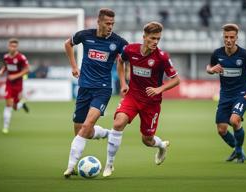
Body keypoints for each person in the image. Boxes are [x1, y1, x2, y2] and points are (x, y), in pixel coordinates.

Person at [103, 21, 180, 177]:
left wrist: (159, 89)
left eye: (158, 39)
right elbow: (120, 61)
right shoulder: (130, 49)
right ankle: (109, 164)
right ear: (144, 37)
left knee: (147, 140)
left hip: (151, 103)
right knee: (118, 123)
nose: (155, 42)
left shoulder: (162, 57)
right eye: (152, 38)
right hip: (133, 96)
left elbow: (176, 79)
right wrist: (124, 83)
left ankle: (161, 146)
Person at [63, 8, 128, 178]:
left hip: (103, 89)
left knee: (86, 126)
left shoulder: (118, 42)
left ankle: (70, 167)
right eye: (107, 23)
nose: (110, 26)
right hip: (84, 88)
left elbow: (125, 60)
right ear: (98, 22)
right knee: (81, 130)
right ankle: (106, 133)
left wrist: (123, 82)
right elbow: (67, 44)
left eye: (112, 24)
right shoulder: (85, 35)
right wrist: (74, 66)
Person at [206, 23, 246, 163]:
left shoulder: (245, 55)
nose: (229, 40)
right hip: (225, 95)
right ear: (223, 37)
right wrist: (211, 70)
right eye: (226, 37)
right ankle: (238, 151)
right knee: (221, 130)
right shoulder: (217, 53)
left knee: (234, 120)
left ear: (236, 38)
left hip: (241, 94)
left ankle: (238, 152)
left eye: (232, 37)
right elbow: (209, 67)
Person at [0, 38, 30, 134]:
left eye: (15, 46)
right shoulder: (6, 57)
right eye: (11, 46)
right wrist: (2, 71)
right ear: (8, 46)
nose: (13, 48)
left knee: (15, 107)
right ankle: (5, 127)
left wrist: (15, 76)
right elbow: (5, 66)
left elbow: (27, 70)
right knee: (8, 104)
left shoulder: (21, 58)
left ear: (17, 47)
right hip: (9, 84)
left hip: (18, 84)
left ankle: (21, 104)